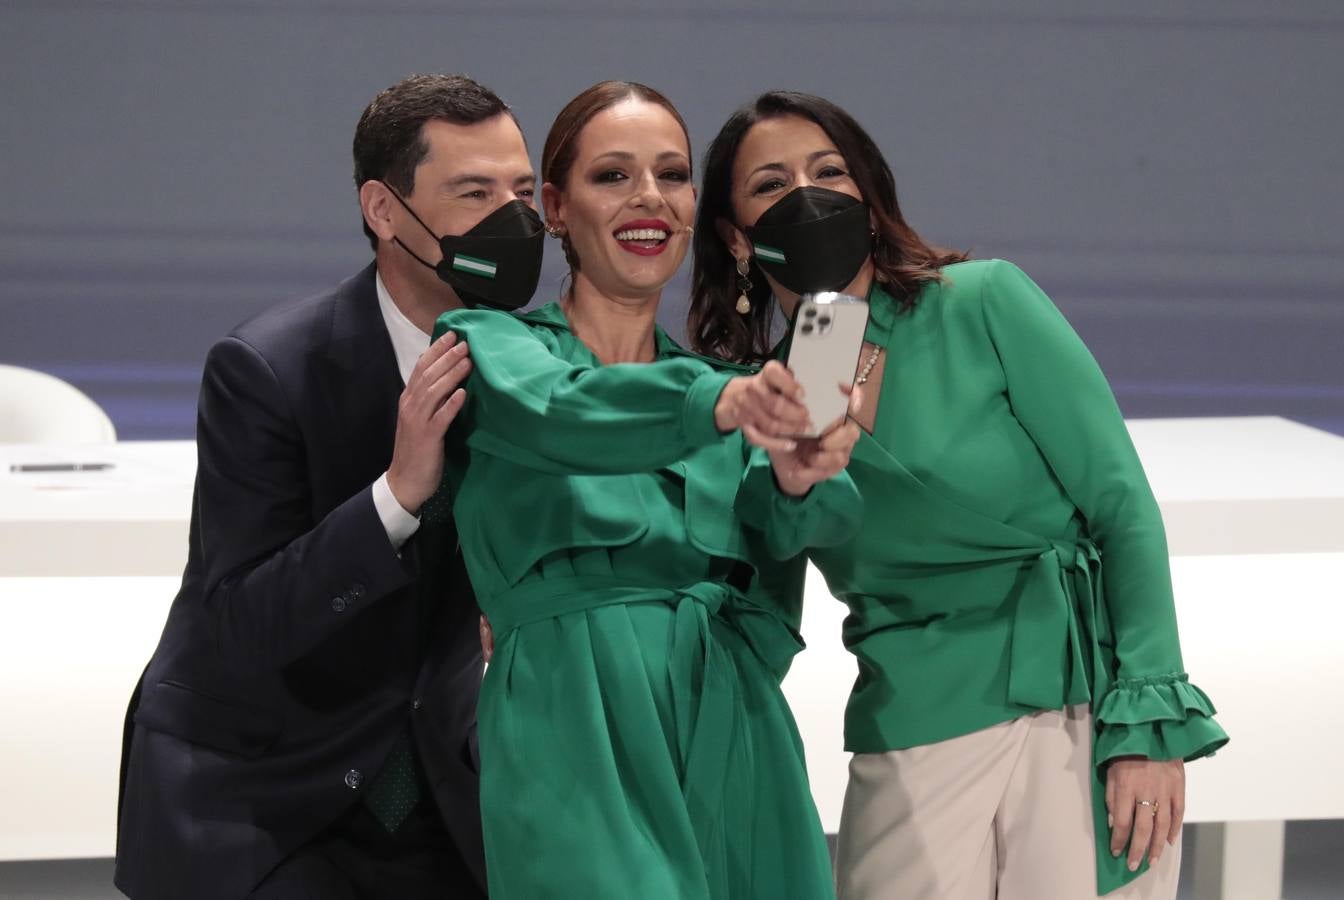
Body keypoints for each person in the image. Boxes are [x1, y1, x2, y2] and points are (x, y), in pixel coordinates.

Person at [688, 90, 1229, 900]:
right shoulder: (762, 393)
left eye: (829, 170)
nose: (807, 195)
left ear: (870, 199)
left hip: (1072, 701)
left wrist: (1149, 726)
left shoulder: (984, 301)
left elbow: (1121, 506)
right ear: (735, 236)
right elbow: (766, 600)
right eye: (770, 184)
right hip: (910, 717)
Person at [425, 81, 861, 899]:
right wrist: (718, 406)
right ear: (554, 206)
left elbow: (810, 527)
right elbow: (564, 414)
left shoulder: (729, 386)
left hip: (734, 726)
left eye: (672, 173)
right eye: (614, 176)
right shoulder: (490, 345)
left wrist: (803, 475)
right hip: (572, 725)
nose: (650, 198)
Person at [115, 73, 543, 900]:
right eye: (474, 192)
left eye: (521, 190)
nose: (512, 220)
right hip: (265, 795)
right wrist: (396, 497)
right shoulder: (269, 369)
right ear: (385, 212)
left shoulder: (533, 367)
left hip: (441, 794)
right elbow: (240, 623)